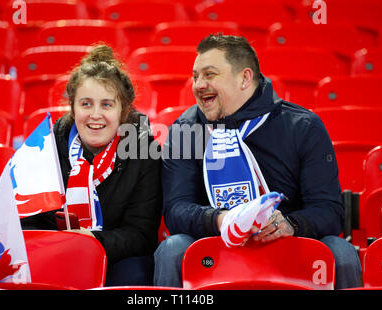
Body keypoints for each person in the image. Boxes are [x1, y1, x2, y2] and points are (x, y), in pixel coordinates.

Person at [154, 34, 362, 289]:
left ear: (244, 78)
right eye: (195, 76)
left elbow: (329, 210)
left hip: (286, 244)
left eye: (209, 74)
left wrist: (290, 225)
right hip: (216, 245)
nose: (198, 85)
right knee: (172, 250)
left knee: (341, 253)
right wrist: (222, 220)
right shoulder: (185, 130)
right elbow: (176, 209)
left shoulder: (303, 126)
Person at [21, 44, 162, 286]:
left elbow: (141, 235)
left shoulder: (145, 152)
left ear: (123, 111)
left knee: (135, 272)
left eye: (107, 104)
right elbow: (26, 223)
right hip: (52, 254)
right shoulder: (44, 148)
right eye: (86, 104)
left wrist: (92, 240)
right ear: (73, 109)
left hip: (118, 260)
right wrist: (63, 245)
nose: (95, 114)